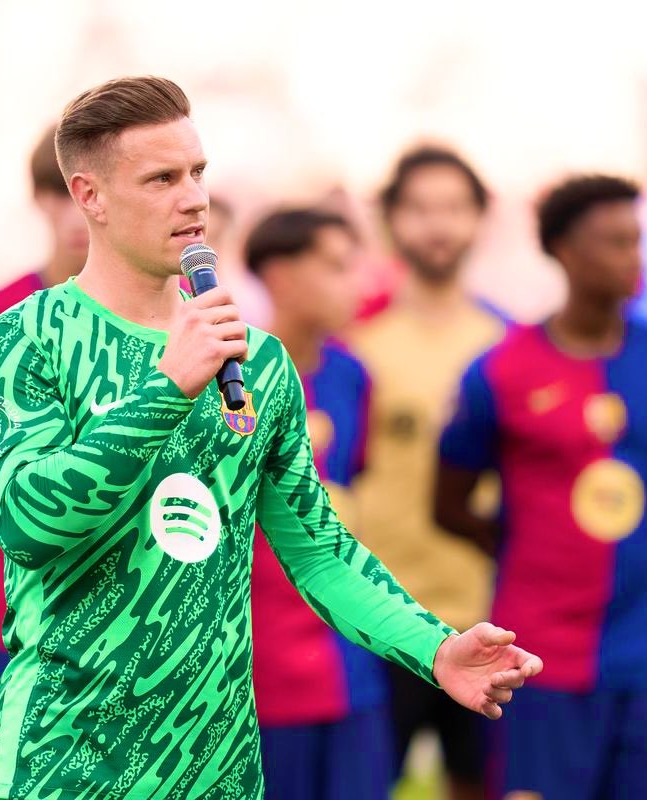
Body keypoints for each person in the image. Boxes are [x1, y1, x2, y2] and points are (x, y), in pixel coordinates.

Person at [0, 76, 542, 799]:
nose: (194, 199)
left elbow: (319, 552)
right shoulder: (22, 339)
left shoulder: (259, 362)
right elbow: (27, 525)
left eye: (197, 173)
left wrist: (435, 647)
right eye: (162, 179)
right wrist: (167, 389)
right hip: (65, 764)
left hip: (219, 768)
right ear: (90, 196)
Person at [436, 175, 647, 800]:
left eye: (637, 240)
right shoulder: (501, 370)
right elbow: (448, 503)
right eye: (614, 242)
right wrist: (528, 549)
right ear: (563, 251)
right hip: (537, 654)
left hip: (639, 650)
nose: (633, 257)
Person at [349, 145, 506, 799]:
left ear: (480, 219)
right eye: (419, 208)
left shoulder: (509, 345)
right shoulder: (355, 345)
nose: (437, 224)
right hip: (377, 617)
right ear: (389, 220)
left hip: (487, 617)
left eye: (453, 208)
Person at [0, 125, 89, 800]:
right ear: (40, 200)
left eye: (87, 195)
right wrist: (2, 547)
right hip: (11, 605)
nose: (75, 214)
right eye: (61, 194)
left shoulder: (155, 316)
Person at [245, 208, 390, 799]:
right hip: (261, 674)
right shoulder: (228, 379)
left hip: (351, 663)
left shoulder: (353, 375)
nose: (357, 283)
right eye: (337, 267)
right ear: (280, 276)